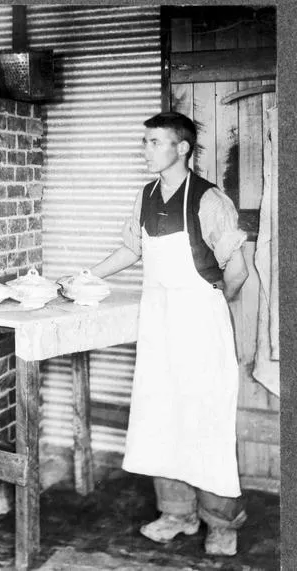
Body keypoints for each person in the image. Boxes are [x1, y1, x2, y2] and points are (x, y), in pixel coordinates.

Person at [88, 111, 249, 556]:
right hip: (159, 322)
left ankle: (222, 523)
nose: (145, 149)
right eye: (145, 142)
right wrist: (85, 276)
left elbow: (237, 270)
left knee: (205, 418)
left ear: (182, 148)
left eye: (154, 142)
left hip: (200, 322)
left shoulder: (209, 199)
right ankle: (177, 513)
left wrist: (213, 302)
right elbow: (131, 249)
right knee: (161, 413)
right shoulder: (146, 195)